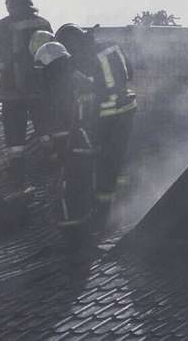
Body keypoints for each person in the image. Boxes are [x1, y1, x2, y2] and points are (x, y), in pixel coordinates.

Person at [55, 24, 136, 228]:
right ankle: (125, 205)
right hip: (128, 108)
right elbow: (129, 73)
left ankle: (102, 215)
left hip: (107, 114)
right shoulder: (112, 45)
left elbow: (86, 89)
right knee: (120, 159)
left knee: (104, 165)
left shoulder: (80, 59)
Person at [0, 0, 53, 186]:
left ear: (10, 4)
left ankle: (17, 173)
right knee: (45, 129)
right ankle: (51, 163)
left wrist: (9, 56)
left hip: (12, 90)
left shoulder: (4, 25)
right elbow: (53, 51)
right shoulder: (43, 23)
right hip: (40, 88)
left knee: (15, 136)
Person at [33, 41, 97, 244]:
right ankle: (85, 227)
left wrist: (56, 149)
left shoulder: (55, 84)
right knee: (83, 185)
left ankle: (72, 233)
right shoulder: (79, 77)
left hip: (70, 143)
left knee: (66, 187)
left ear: (48, 62)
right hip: (87, 142)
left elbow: (57, 118)